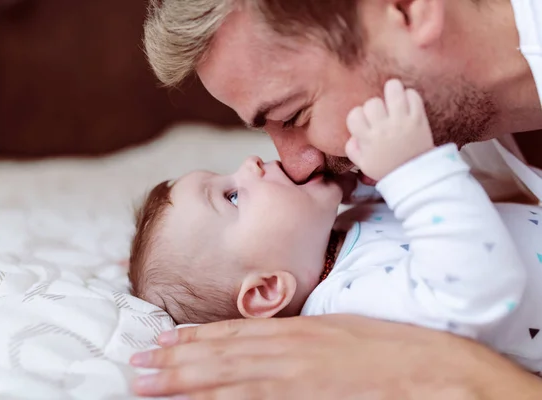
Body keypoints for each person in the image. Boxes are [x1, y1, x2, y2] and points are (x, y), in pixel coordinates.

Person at [130, 0, 542, 398]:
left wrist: (413, 173)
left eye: (294, 115)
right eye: (232, 196)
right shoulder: (448, 127)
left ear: (406, 8)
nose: (296, 164)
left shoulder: (422, 150)